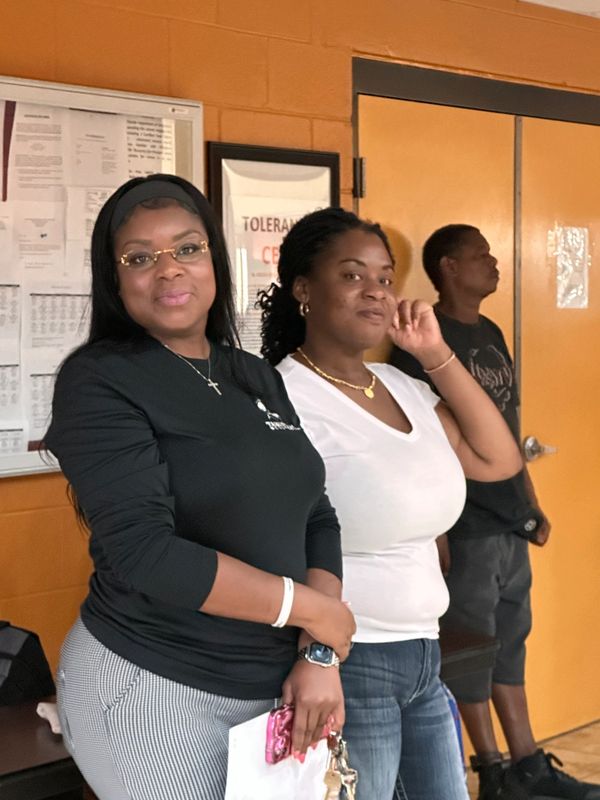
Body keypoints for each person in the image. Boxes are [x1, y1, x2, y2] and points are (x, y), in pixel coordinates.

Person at [44, 175, 355, 800]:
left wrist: (319, 651)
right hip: (153, 684)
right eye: (139, 257)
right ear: (116, 279)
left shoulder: (252, 375)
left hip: (278, 684)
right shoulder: (99, 381)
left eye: (187, 248)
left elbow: (314, 512)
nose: (167, 271)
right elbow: (144, 552)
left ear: (215, 258)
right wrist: (314, 611)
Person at [258, 207, 523, 800]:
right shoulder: (283, 397)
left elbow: (498, 459)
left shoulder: (404, 387)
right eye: (353, 276)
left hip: (427, 655)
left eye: (384, 277)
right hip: (349, 664)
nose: (375, 291)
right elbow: (275, 538)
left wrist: (435, 355)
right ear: (304, 288)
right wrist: (319, 652)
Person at [390, 224, 600, 800]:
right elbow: (429, 449)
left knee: (511, 643)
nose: (493, 262)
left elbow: (506, 426)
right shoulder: (421, 347)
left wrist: (528, 501)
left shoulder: (489, 331)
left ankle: (528, 764)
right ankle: (493, 770)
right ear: (447, 267)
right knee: (473, 651)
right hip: (466, 527)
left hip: (508, 519)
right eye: (479, 255)